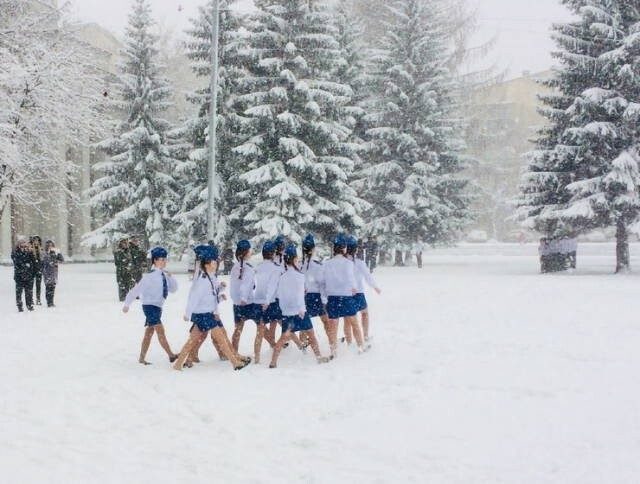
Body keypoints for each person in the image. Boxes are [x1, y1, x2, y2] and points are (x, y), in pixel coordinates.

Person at [173, 245, 251, 371]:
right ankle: (235, 362)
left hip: (205, 314)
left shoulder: (210, 277)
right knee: (220, 338)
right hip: (204, 315)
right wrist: (187, 313)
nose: (216, 263)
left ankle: (178, 364)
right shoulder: (202, 281)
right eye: (214, 262)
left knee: (191, 341)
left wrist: (221, 292)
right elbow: (194, 298)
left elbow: (211, 296)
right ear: (207, 265)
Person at [269, 244, 331, 368]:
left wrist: (284, 309)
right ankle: (319, 357)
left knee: (283, 337)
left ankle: (273, 361)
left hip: (287, 312)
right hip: (299, 312)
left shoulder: (282, 277)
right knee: (311, 335)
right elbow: (299, 295)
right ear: (294, 259)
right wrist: (302, 309)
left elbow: (279, 294)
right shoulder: (300, 276)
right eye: (296, 258)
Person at [123, 247, 179, 365]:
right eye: (161, 259)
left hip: (158, 307)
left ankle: (141, 358)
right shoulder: (149, 276)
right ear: (154, 261)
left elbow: (173, 289)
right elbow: (136, 290)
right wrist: (127, 304)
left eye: (165, 259)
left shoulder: (165, 275)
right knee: (160, 330)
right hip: (149, 307)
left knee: (149, 333)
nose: (164, 262)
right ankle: (171, 355)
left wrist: (170, 277)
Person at [323, 234, 367, 357]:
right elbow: (350, 278)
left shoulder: (327, 263)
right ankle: (361, 347)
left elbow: (323, 281)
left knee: (333, 326)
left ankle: (334, 352)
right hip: (346, 297)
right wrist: (354, 288)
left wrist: (325, 295)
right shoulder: (348, 263)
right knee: (354, 323)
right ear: (343, 248)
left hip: (332, 298)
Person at [252, 241, 281, 364]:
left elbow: (253, 284)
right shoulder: (276, 268)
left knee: (260, 331)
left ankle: (257, 358)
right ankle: (298, 345)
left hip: (257, 301)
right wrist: (268, 301)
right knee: (283, 325)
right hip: (270, 302)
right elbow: (272, 286)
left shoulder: (258, 267)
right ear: (273, 254)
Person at [346, 236, 381, 343]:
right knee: (364, 313)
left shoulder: (343, 263)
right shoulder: (359, 263)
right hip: (358, 293)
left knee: (348, 318)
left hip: (345, 294)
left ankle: (349, 340)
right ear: (355, 249)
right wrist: (375, 287)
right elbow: (367, 276)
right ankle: (365, 336)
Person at [300, 234, 331, 340]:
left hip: (304, 297)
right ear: (313, 249)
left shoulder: (299, 265)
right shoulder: (317, 266)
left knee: (304, 323)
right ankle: (332, 341)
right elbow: (322, 284)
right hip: (317, 297)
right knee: (326, 321)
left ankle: (303, 343)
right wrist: (325, 299)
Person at [230, 240, 257, 352]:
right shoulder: (249, 268)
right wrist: (244, 298)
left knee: (238, 329)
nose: (251, 252)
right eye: (250, 250)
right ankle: (273, 344)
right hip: (248, 303)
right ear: (246, 252)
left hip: (237, 304)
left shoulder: (234, 267)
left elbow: (234, 286)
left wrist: (237, 299)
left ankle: (234, 351)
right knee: (261, 325)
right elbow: (246, 284)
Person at [12, 237, 36, 312]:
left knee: (29, 292)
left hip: (28, 276)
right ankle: (19, 306)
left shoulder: (29, 252)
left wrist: (32, 272)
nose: (23, 244)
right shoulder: (15, 252)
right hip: (19, 276)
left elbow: (33, 262)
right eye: (21, 243)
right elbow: (17, 262)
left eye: (24, 243)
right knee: (19, 292)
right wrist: (26, 265)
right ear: (18, 244)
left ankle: (29, 305)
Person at [41, 240, 64, 307]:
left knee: (52, 288)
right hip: (47, 273)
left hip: (54, 273)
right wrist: (52, 261)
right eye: (49, 245)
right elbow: (45, 262)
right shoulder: (44, 253)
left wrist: (59, 253)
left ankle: (51, 302)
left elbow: (62, 260)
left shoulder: (55, 253)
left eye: (51, 245)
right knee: (48, 288)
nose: (50, 246)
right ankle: (49, 302)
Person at [30, 235, 44, 305]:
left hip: (39, 269)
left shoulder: (41, 249)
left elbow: (42, 259)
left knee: (38, 286)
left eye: (37, 240)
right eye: (35, 240)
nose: (36, 241)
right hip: (31, 269)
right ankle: (31, 299)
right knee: (31, 285)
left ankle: (38, 299)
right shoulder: (30, 249)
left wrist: (41, 267)